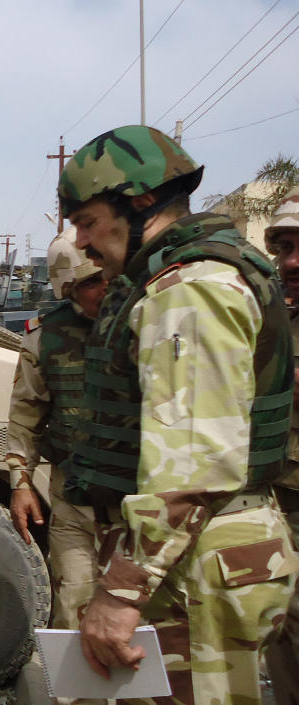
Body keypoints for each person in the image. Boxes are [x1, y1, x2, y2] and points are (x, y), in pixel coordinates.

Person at [58, 125, 299, 705]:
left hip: (196, 560)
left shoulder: (187, 288)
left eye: (88, 221)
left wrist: (119, 593)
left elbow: (191, 467)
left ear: (140, 201)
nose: (82, 242)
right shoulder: (177, 278)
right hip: (196, 554)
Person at [6, 229, 108, 666]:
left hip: (142, 507)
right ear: (68, 288)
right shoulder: (44, 337)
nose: (105, 291)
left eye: (109, 278)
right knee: (74, 616)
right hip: (73, 503)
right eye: (91, 283)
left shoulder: (151, 323)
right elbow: (25, 416)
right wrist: (21, 482)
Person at [260, 185, 299, 705]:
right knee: (282, 633)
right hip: (281, 504)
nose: (292, 261)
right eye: (284, 248)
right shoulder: (279, 325)